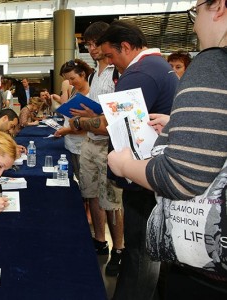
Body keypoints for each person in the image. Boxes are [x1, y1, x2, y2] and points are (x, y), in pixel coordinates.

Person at [107, 0, 227, 297]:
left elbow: (181, 176)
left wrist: (123, 166)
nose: (195, 24)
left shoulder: (213, 64)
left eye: (196, 11)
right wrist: (176, 123)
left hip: (209, 267)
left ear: (219, 7)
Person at [96, 20, 178, 300]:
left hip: (144, 178)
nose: (110, 62)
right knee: (153, 251)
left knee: (140, 253)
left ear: (127, 47)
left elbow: (118, 123)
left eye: (110, 55)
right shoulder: (158, 65)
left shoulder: (139, 73)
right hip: (156, 173)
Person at [74, 21, 125, 277]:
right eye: (88, 45)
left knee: (112, 201)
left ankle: (119, 249)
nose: (91, 49)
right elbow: (96, 109)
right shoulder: (94, 72)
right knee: (91, 193)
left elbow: (118, 113)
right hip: (90, 141)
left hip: (109, 145)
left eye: (94, 44)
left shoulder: (118, 70)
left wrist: (90, 115)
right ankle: (99, 240)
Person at [53, 59, 92, 182]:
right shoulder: (75, 90)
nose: (70, 82)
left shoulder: (92, 93)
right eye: (67, 80)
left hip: (84, 146)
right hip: (72, 144)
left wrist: (66, 130)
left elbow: (90, 125)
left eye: (72, 79)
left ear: (83, 74)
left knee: (86, 182)